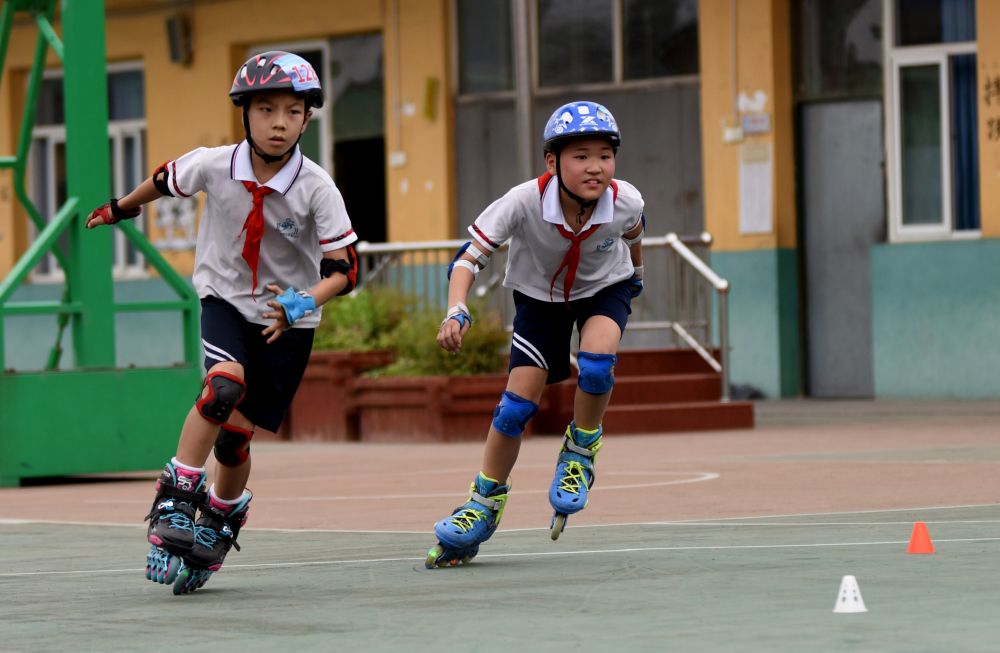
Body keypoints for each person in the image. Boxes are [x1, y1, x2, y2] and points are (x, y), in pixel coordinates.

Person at [85, 51, 359, 594]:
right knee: (221, 387)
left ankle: (224, 511)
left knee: (234, 443)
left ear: (307, 119)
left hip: (289, 322)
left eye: (291, 111)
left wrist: (301, 303)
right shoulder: (214, 163)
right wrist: (121, 207)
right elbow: (164, 180)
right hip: (225, 300)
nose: (278, 122)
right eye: (265, 109)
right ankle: (178, 493)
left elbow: (346, 269)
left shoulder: (316, 187)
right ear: (245, 114)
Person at [426, 100, 645, 568]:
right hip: (539, 302)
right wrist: (457, 309)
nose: (595, 167)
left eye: (605, 156)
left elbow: (633, 232)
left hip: (605, 289)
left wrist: (638, 273)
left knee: (596, 361)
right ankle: (482, 504)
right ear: (552, 162)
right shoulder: (523, 201)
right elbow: (467, 258)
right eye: (580, 156)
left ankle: (580, 450)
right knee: (513, 410)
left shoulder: (626, 199)